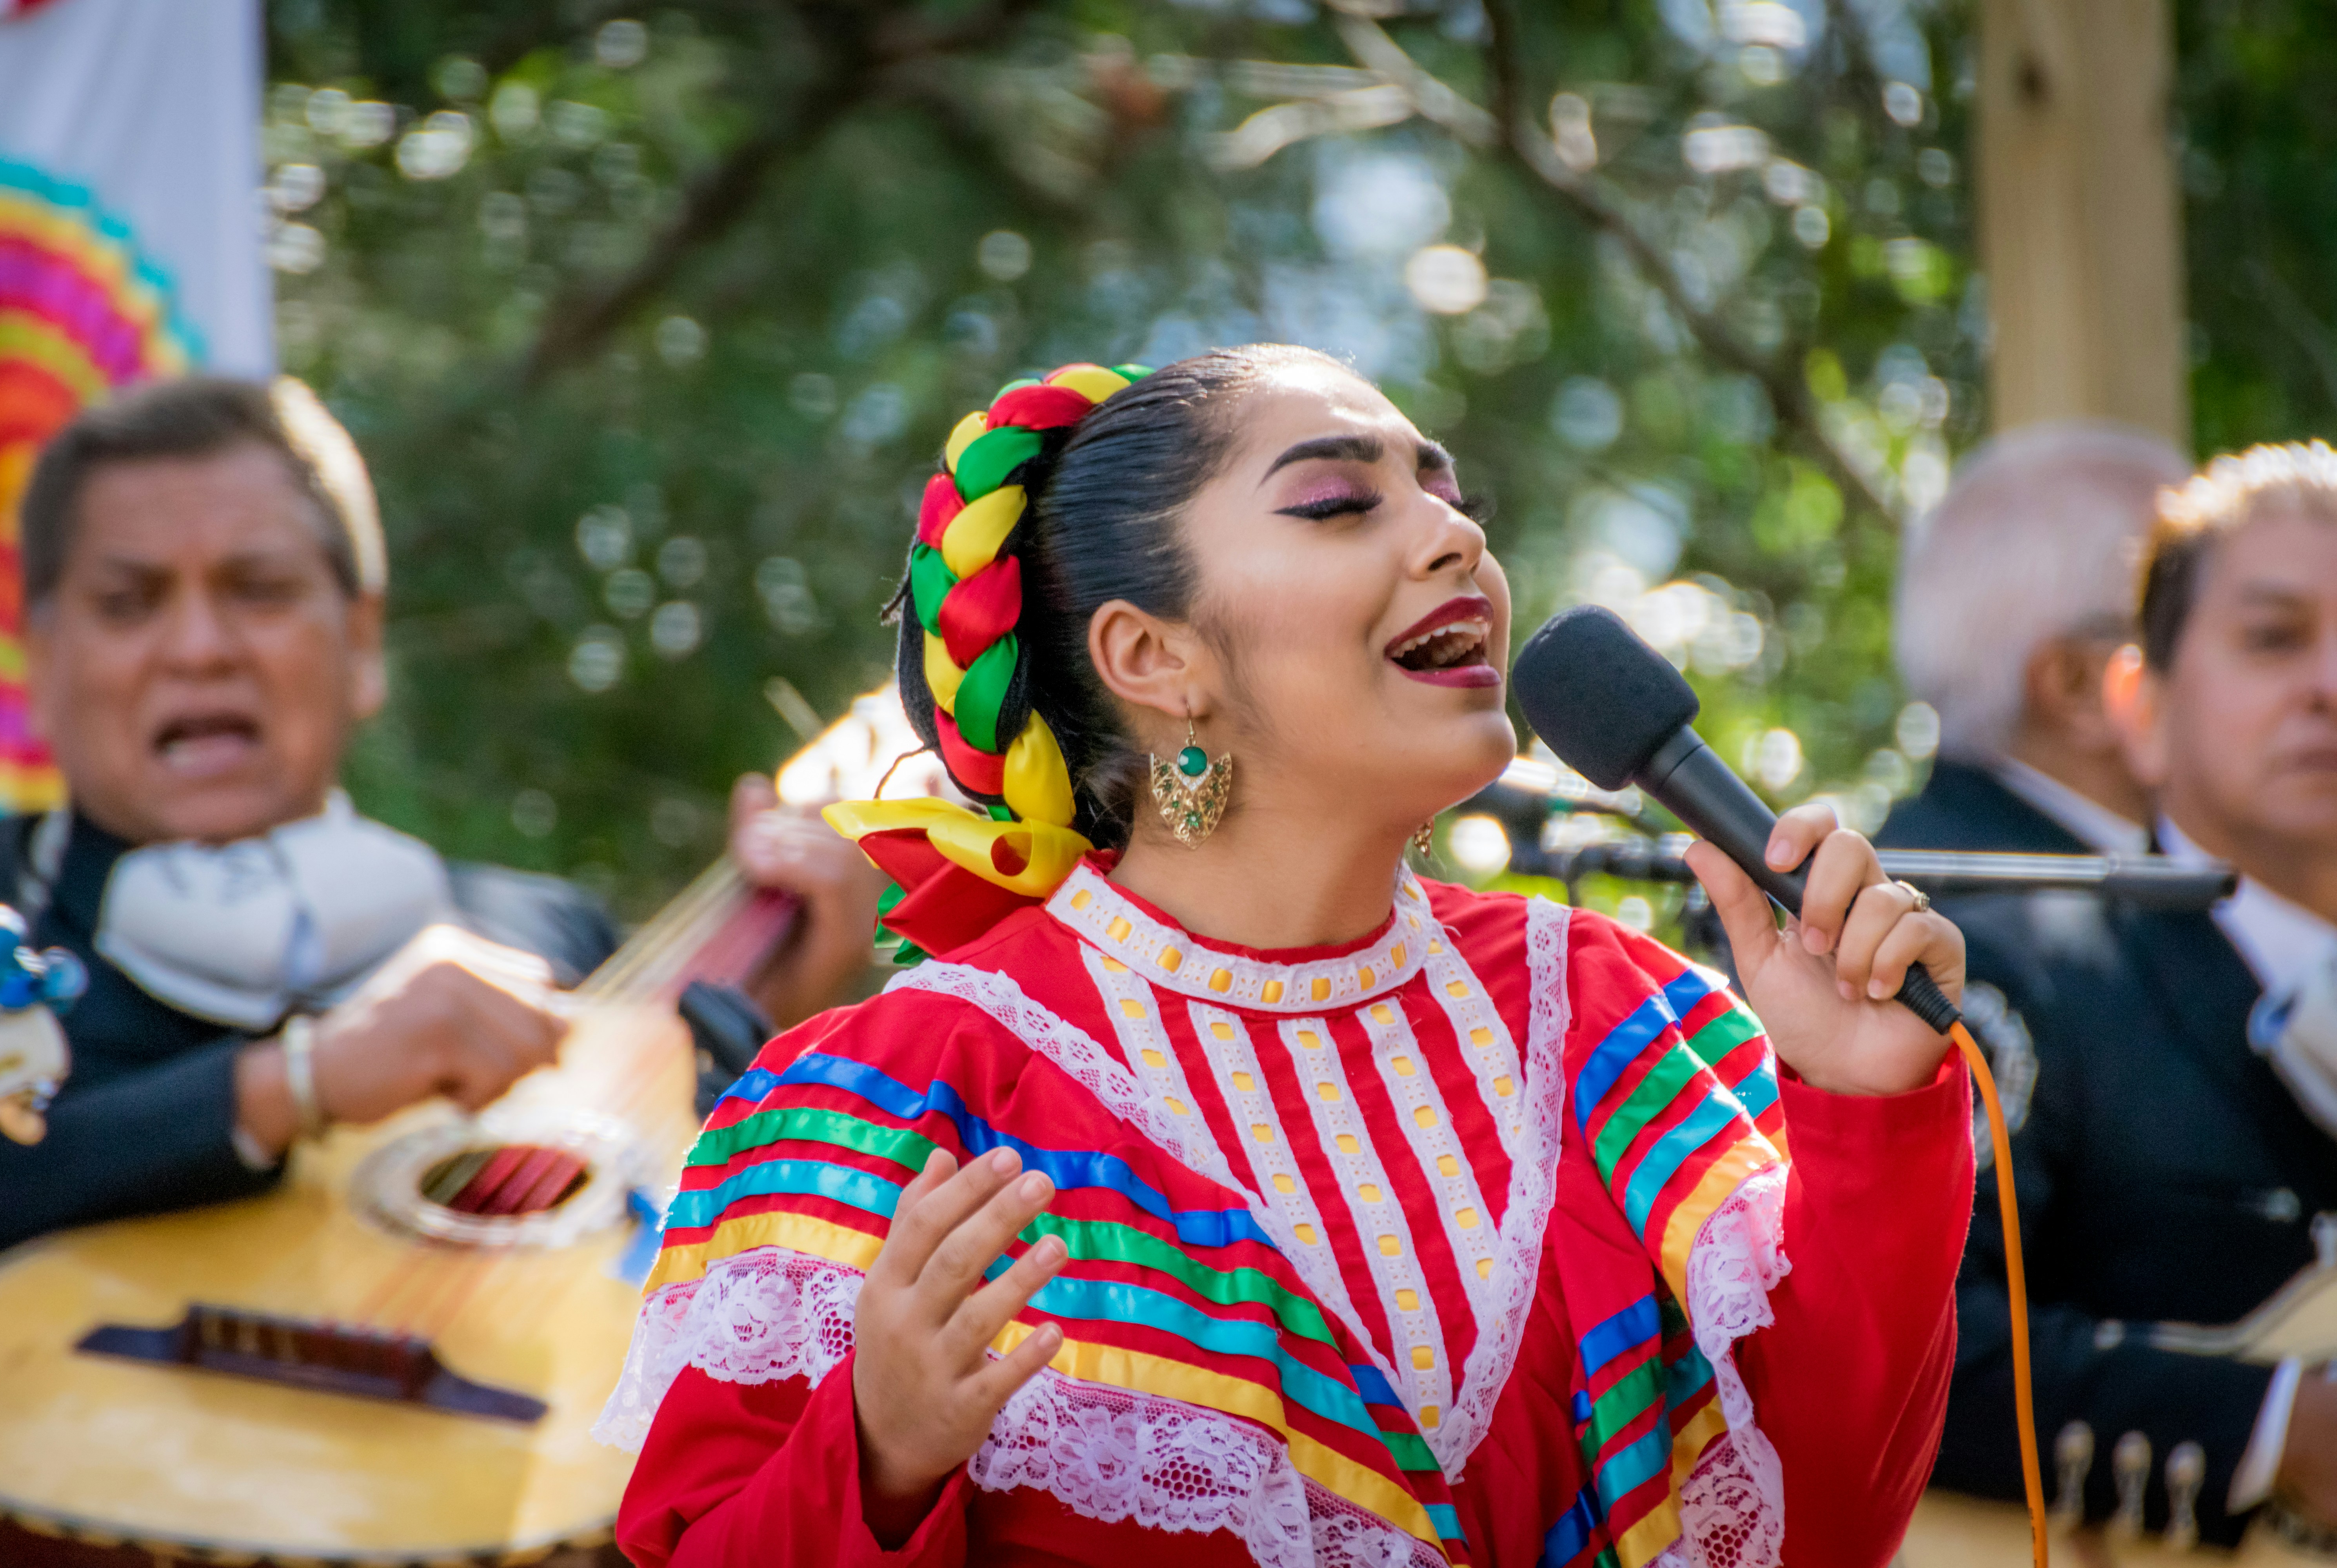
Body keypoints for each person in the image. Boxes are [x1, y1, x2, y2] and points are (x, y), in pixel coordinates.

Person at [603, 347, 1977, 1568]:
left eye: (1453, 496)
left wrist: (1865, 1106)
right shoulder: (901, 1093)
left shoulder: (1614, 1018)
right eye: (1340, 502)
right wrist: (881, 1454)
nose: (1455, 540)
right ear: (1153, 656)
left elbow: (1827, 1527)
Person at [0, 376, 880, 1255]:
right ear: (44, 660)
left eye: (258, 589)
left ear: (363, 643)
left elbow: (660, 1285)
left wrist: (776, 1048)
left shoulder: (549, 939)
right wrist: (289, 1085)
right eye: (129, 603)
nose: (200, 648)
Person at [1934, 442, 2337, 1539]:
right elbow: (1902, 1345)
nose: (2331, 685)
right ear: (2139, 704)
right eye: (2274, 638)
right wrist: (2275, 1431)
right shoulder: (2014, 974)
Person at [1881, 421, 2188, 858]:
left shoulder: (1911, 876)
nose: (2320, 682)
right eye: (2265, 637)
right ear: (2079, 685)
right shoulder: (1987, 918)